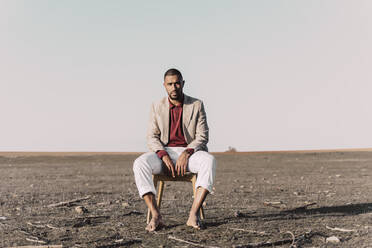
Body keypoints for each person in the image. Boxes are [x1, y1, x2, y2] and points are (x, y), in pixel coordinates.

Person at [133, 68, 216, 232]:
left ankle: (193, 214)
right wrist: (163, 155)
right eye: (170, 84)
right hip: (164, 153)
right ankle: (156, 215)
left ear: (183, 84)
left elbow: (202, 136)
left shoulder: (196, 105)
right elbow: (151, 137)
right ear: (164, 85)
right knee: (140, 163)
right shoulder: (157, 106)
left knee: (209, 160)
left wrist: (187, 152)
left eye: (177, 83)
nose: (174, 87)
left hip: (190, 153)